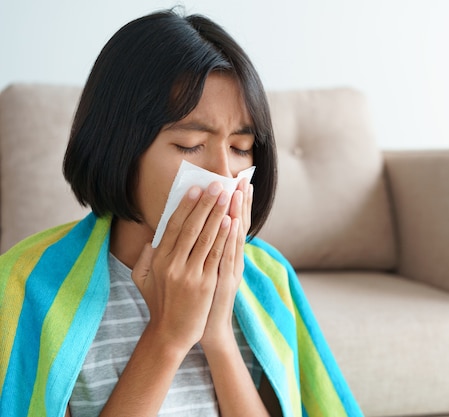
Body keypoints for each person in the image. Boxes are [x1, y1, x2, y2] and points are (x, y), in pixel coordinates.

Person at [0, 10, 363, 417]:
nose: (224, 175)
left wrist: (218, 335)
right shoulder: (30, 291)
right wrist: (168, 336)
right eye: (191, 144)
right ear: (118, 146)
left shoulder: (265, 279)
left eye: (241, 148)